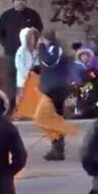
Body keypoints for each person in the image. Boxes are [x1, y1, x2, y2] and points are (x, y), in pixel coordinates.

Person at [0, 0, 44, 103]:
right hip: (11, 53)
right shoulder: (6, 16)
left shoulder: (33, 14)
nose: (20, 2)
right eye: (17, 0)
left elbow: (39, 30)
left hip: (29, 53)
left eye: (22, 0)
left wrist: (34, 45)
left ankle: (30, 101)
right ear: (13, 2)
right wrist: (6, 44)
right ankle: (12, 102)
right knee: (11, 77)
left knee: (29, 77)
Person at [37, 30, 72, 161]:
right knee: (53, 118)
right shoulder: (53, 49)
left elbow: (49, 62)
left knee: (51, 118)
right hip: (53, 88)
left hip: (55, 89)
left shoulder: (55, 49)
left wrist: (41, 48)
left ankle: (57, 148)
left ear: (45, 39)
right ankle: (57, 147)